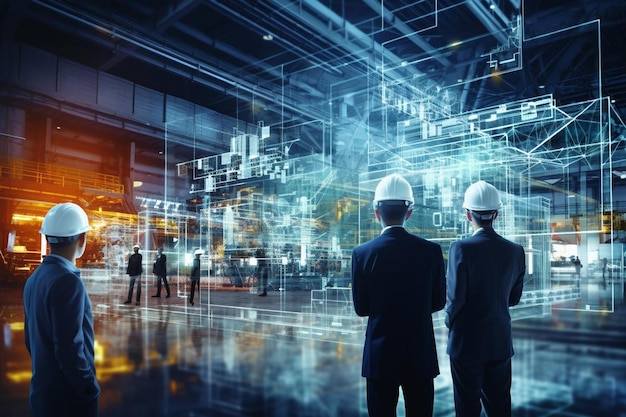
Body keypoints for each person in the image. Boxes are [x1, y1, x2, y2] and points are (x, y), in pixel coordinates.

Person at [351, 174, 446, 417]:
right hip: (420, 355)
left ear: (376, 212)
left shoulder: (362, 254)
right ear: (409, 212)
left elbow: (361, 308)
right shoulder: (431, 251)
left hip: (380, 358)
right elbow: (438, 301)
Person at [446, 180, 525, 417]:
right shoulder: (515, 250)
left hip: (465, 342)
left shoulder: (460, 248)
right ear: (496, 215)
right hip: (499, 340)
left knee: (467, 408)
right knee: (500, 407)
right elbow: (513, 298)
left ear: (468, 214)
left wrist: (449, 320)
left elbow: (455, 298)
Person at [23, 202, 100, 417]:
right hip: (69, 399)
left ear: (47, 238)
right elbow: (69, 348)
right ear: (81, 239)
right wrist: (88, 387)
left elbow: (30, 340)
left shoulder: (34, 278)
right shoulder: (68, 281)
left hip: (42, 395)